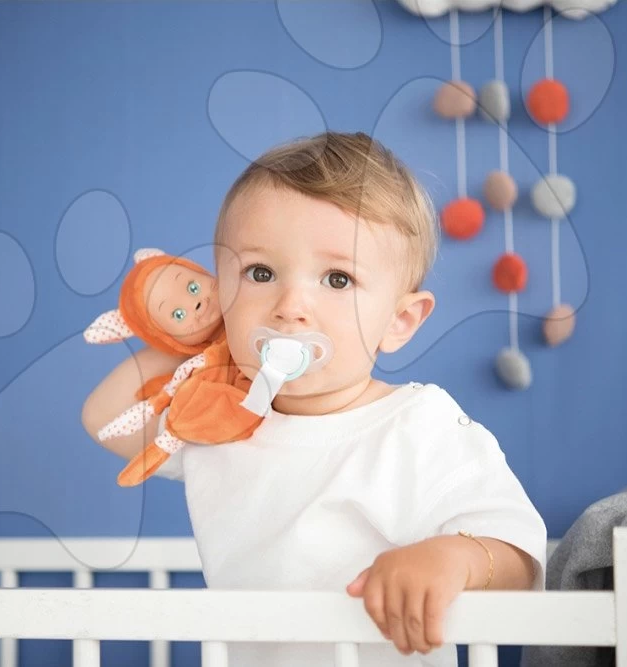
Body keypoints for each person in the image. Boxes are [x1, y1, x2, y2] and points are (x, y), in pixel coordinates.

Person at [81, 130, 547, 666]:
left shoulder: (417, 426)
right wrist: (194, 333)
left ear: (398, 321)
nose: (290, 305)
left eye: (337, 278)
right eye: (260, 273)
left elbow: (519, 555)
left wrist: (452, 560)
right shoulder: (219, 418)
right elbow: (104, 417)